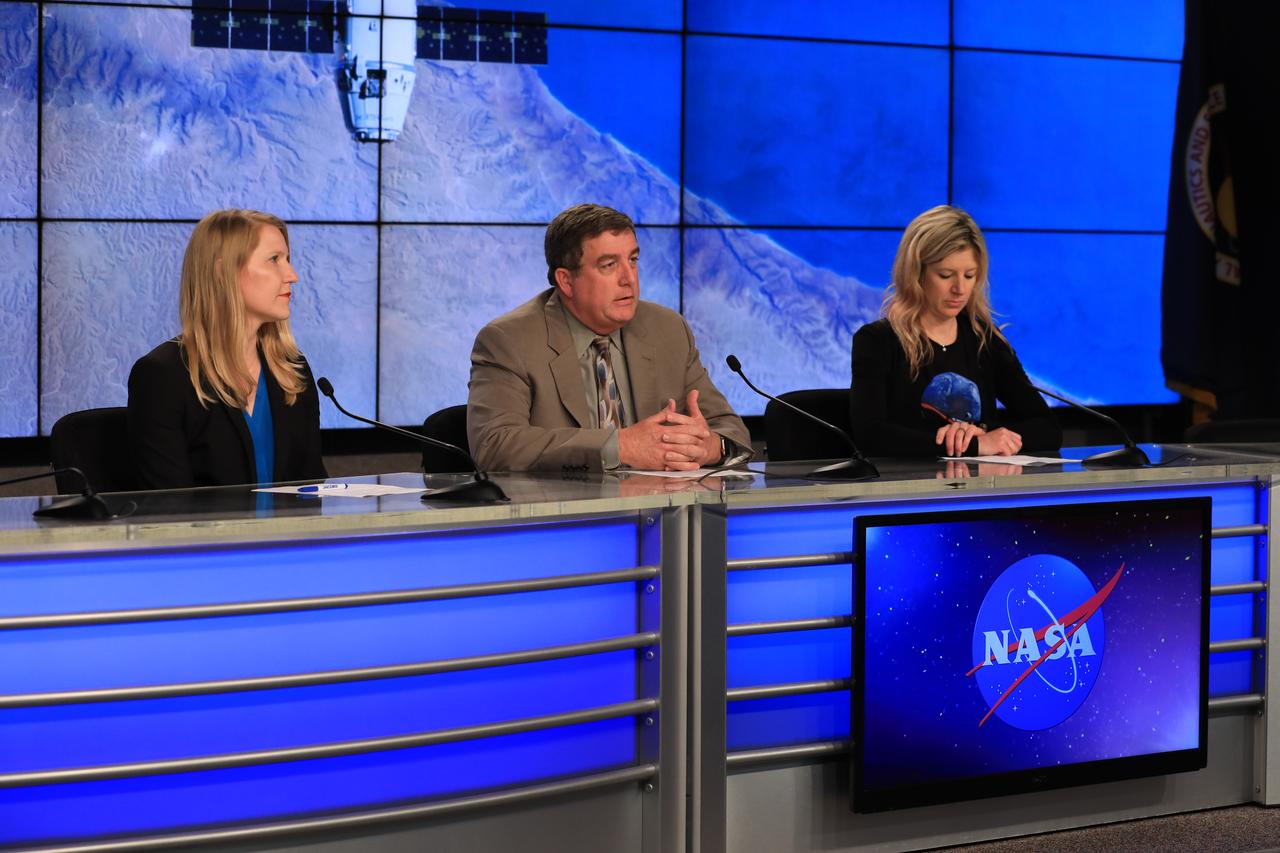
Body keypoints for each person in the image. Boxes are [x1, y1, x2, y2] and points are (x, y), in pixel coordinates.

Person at [467, 203, 751, 472]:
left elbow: (730, 430)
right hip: (562, 517)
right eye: (608, 265)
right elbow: (495, 445)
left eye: (633, 260)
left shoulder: (667, 330)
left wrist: (711, 446)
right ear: (566, 281)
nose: (629, 278)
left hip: (657, 514)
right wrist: (620, 446)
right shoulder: (510, 340)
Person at [127, 209, 327, 489]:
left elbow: (312, 490)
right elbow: (169, 511)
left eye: (287, 260)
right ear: (223, 270)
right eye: (273, 260)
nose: (292, 275)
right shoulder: (163, 376)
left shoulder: (292, 371)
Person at [850, 205, 1061, 458]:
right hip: (908, 491)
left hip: (980, 493)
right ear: (916, 274)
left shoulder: (985, 340)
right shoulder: (877, 341)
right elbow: (870, 437)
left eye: (969, 275)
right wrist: (974, 446)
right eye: (946, 275)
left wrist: (986, 434)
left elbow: (1048, 429)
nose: (960, 289)